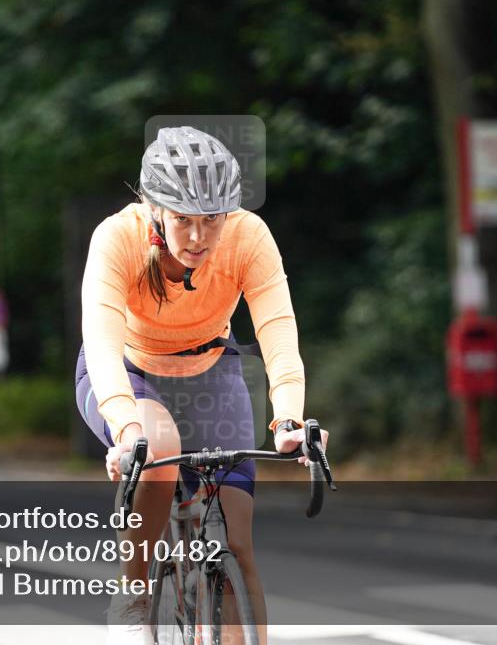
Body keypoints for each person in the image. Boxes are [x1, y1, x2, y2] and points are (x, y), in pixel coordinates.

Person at [74, 126, 328, 645]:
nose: (198, 238)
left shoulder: (248, 236)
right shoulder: (116, 239)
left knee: (237, 544)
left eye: (211, 219)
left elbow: (277, 330)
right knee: (159, 445)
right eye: (183, 220)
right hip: (129, 373)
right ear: (154, 210)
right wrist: (124, 427)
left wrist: (289, 420)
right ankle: (135, 590)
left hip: (212, 370)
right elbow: (101, 342)